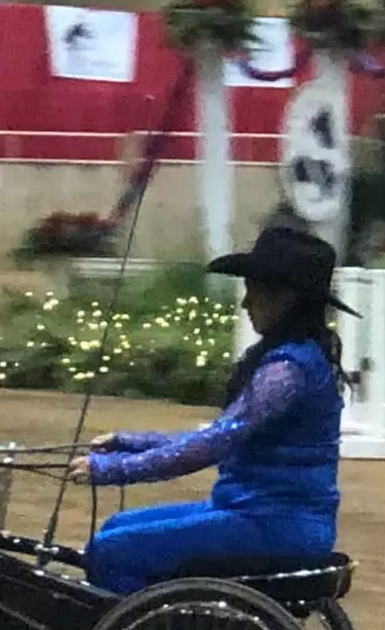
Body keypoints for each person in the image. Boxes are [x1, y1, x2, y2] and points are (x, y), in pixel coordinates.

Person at [66, 225, 354, 595]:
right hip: (253, 510)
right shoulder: (292, 359)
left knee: (110, 551)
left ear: (285, 299)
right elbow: (215, 435)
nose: (245, 303)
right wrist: (129, 442)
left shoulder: (287, 372)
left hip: (275, 523)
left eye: (253, 291)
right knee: (116, 527)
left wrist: (114, 469)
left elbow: (214, 444)